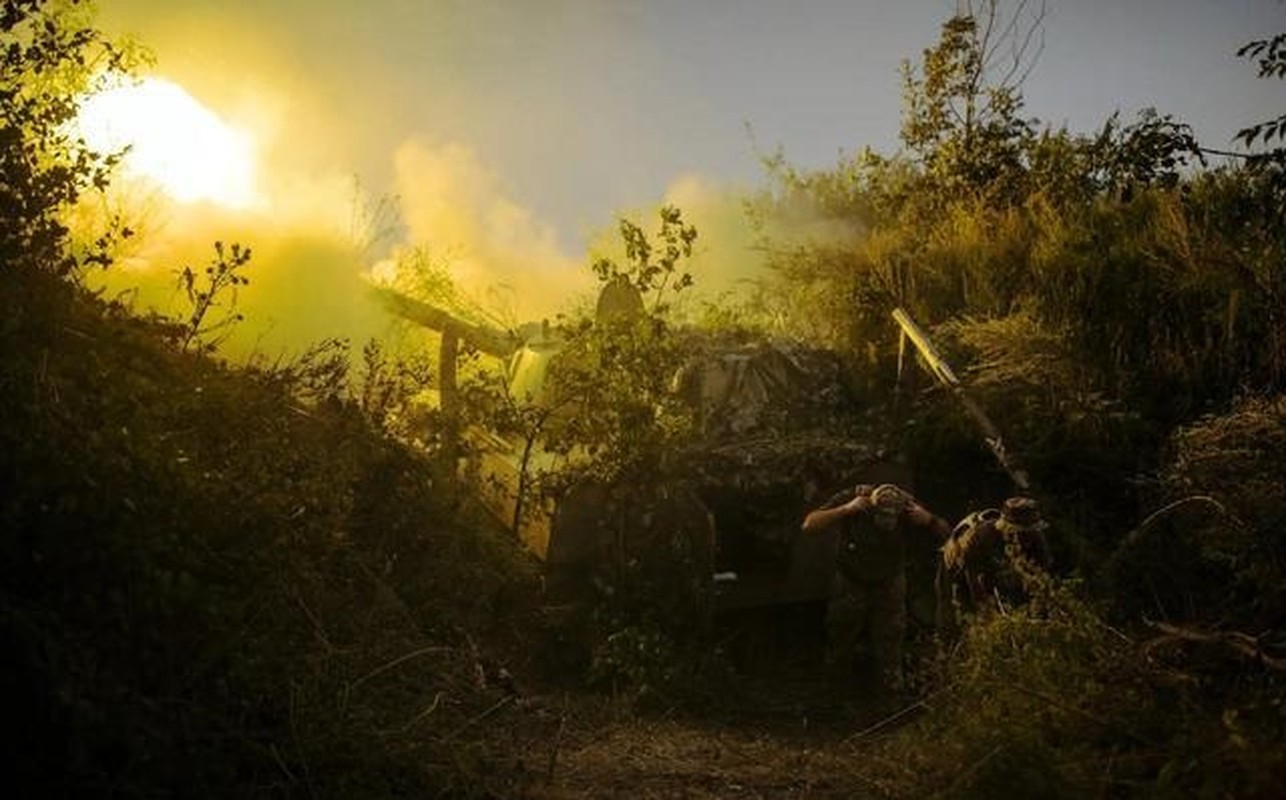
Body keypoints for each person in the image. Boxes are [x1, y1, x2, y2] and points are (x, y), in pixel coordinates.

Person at [801, 482, 949, 698]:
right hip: (851, 581)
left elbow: (946, 533)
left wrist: (929, 520)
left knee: (890, 647)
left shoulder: (908, 506)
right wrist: (846, 509)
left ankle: (889, 700)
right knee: (839, 642)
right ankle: (834, 697)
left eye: (892, 517)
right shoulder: (856, 501)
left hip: (890, 582)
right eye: (882, 516)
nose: (888, 521)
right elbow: (809, 525)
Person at [937, 495, 1053, 638]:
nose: (1026, 538)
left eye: (1030, 532)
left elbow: (1041, 581)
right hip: (957, 576)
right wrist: (991, 622)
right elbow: (975, 587)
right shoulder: (980, 538)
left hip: (996, 573)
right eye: (1021, 532)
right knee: (959, 625)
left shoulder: (1036, 539)